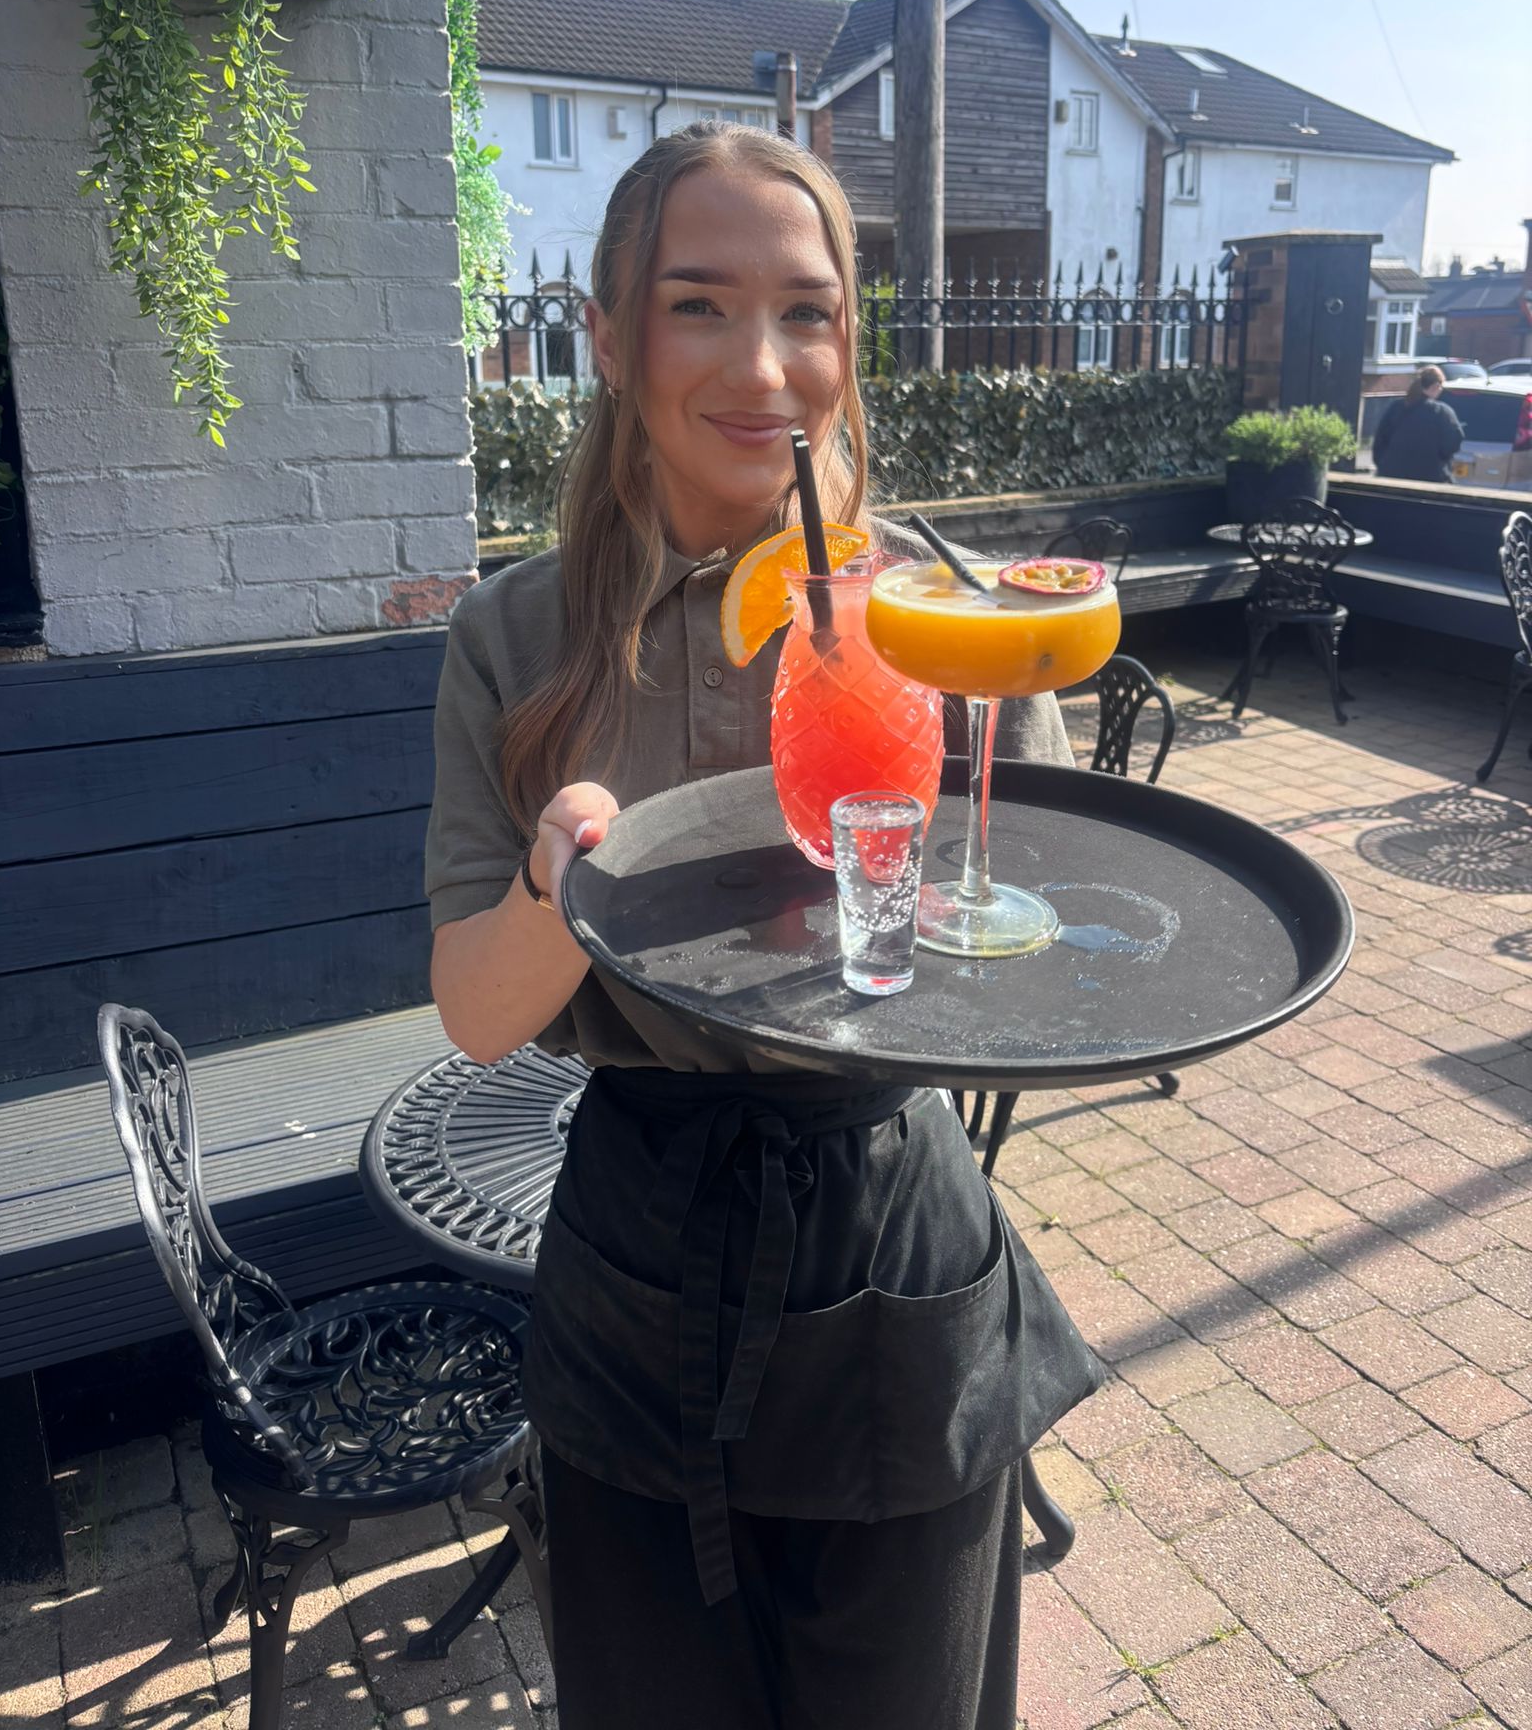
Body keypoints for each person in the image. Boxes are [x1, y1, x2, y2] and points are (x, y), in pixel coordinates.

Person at [425, 124, 1104, 1730]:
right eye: (697, 305)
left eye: (807, 312)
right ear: (605, 336)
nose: (763, 365)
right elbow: (471, 1010)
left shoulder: (937, 611)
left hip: (893, 1239)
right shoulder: (513, 636)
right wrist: (562, 880)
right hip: (639, 1248)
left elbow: (1046, 949)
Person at [1371, 364, 1465, 482]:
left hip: (1392, 476)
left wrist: (1385, 464)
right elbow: (1453, 443)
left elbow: (1380, 441)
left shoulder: (1396, 407)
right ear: (1436, 386)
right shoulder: (1442, 412)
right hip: (1430, 478)